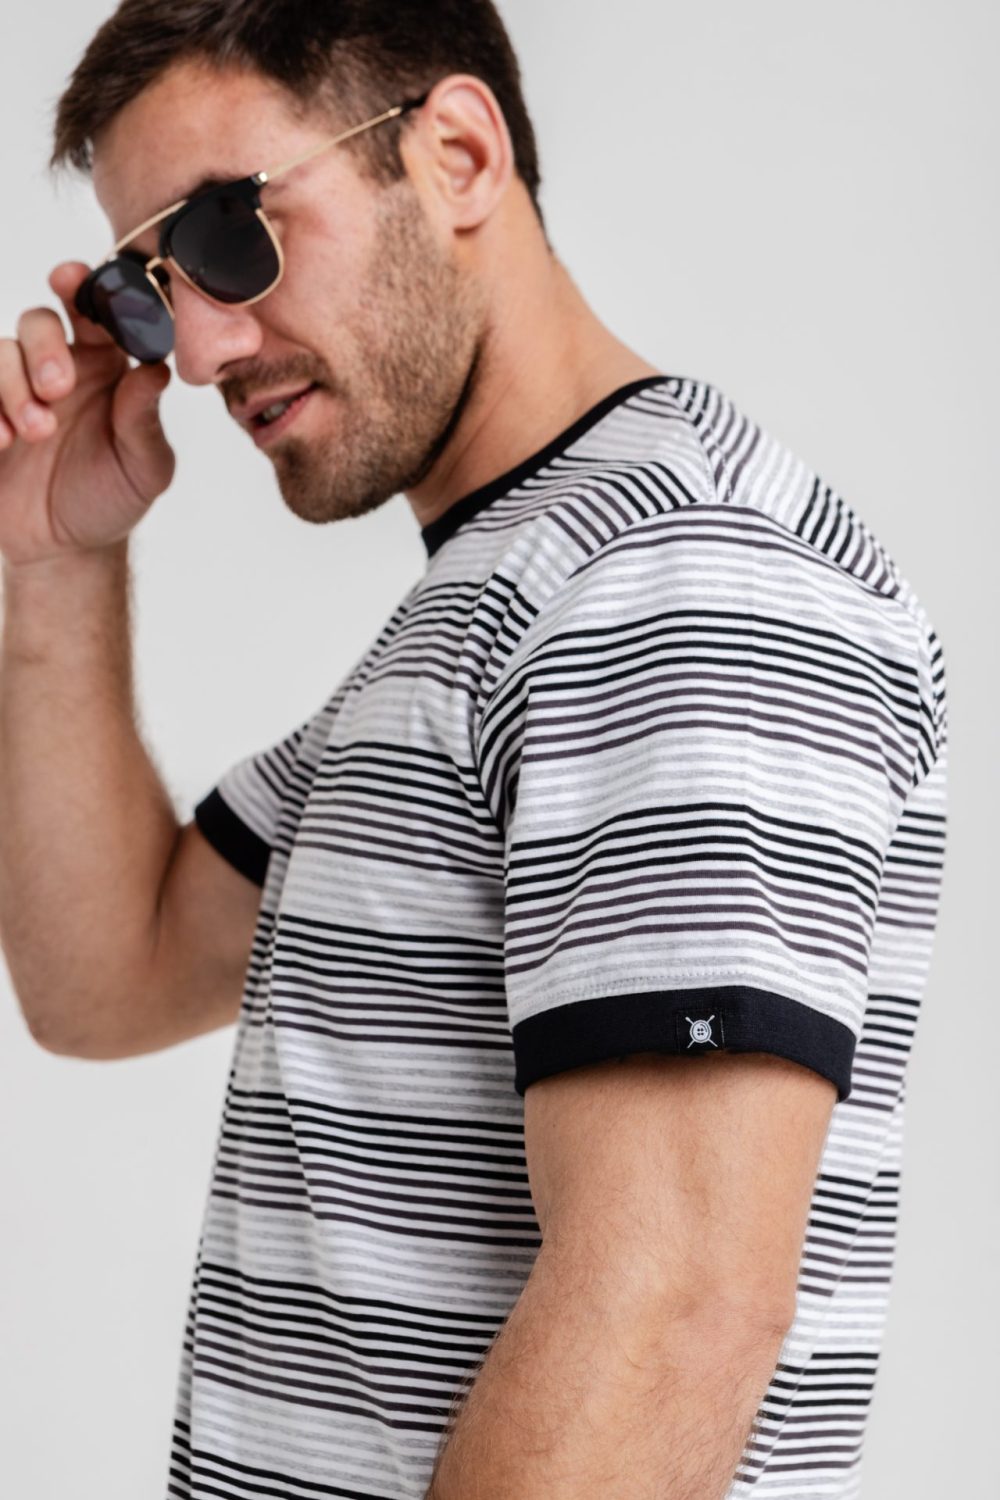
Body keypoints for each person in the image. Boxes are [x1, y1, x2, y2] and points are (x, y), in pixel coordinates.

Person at [0, 3, 948, 1497]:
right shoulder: (497, 608)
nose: (200, 351)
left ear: (453, 154)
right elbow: (106, 974)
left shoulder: (672, 586)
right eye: (148, 290)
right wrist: (57, 555)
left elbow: (675, 1312)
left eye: (232, 234)